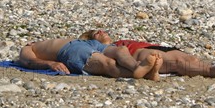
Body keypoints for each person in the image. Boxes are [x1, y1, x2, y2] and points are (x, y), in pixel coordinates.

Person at [80, 29, 215, 79]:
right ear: (91, 40)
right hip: (140, 54)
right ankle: (213, 71)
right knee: (178, 62)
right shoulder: (100, 50)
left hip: (155, 46)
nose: (101, 31)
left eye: (101, 30)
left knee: (190, 59)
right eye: (96, 33)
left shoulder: (119, 42)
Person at [19, 36, 162, 80]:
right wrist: (50, 64)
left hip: (87, 43)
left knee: (121, 50)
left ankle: (138, 68)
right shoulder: (28, 47)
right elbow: (28, 61)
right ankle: (138, 72)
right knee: (106, 63)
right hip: (69, 50)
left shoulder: (41, 44)